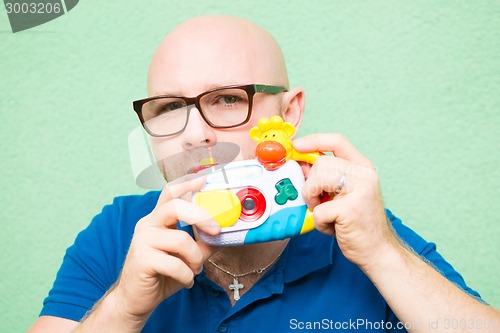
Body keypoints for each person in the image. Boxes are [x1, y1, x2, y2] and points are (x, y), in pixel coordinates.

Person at [28, 15, 499, 333]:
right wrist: (124, 308)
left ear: (289, 112)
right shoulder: (117, 233)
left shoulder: (359, 231)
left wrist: (383, 255)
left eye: (228, 99)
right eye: (170, 108)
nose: (195, 135)